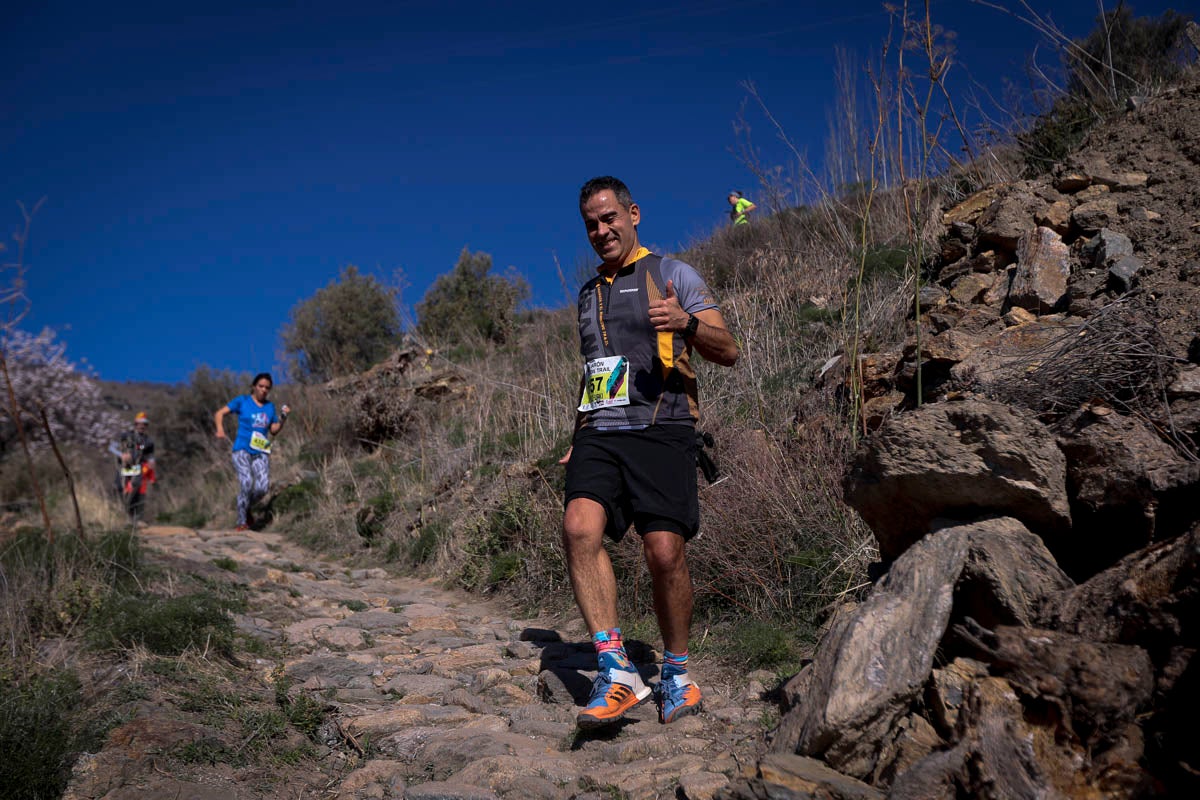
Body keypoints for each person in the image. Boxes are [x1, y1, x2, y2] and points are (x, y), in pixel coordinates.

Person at [560, 176, 739, 729]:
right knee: (578, 528)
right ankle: (617, 672)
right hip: (600, 431)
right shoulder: (588, 294)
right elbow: (595, 369)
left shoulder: (672, 273)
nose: (601, 230)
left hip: (662, 426)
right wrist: (577, 432)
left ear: (633, 214)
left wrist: (686, 323)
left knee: (664, 553)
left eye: (609, 217)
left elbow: (728, 349)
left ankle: (677, 674)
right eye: (591, 223)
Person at [214, 373, 290, 531]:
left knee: (262, 487)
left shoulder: (270, 407)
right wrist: (220, 429)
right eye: (261, 386)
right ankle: (241, 522)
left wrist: (283, 418)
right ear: (254, 386)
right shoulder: (242, 401)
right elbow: (219, 413)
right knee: (247, 483)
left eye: (267, 388)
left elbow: (274, 430)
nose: (263, 390)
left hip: (261, 450)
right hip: (241, 449)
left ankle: (246, 505)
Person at [115, 411, 156, 524]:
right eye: (140, 423)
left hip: (138, 467)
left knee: (136, 489)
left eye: (144, 424)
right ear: (135, 424)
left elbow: (150, 453)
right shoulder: (126, 436)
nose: (142, 426)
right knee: (119, 487)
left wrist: (151, 461)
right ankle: (121, 514)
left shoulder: (147, 441)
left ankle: (135, 518)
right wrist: (122, 454)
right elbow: (112, 446)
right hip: (123, 467)